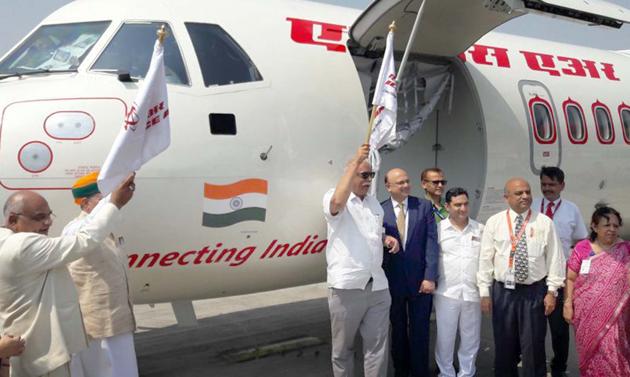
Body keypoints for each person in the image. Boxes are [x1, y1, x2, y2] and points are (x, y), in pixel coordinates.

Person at [0, 174, 135, 377]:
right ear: (12, 219)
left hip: (34, 348)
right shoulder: (22, 246)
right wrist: (115, 203)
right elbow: (84, 240)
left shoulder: (7, 239)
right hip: (42, 354)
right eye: (39, 217)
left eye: (49, 215)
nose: (47, 222)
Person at [323, 144, 399, 377]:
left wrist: (386, 238)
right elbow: (336, 204)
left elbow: (370, 234)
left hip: (377, 286)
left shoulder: (374, 203)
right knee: (343, 350)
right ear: (350, 174)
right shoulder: (335, 197)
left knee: (377, 349)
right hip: (347, 288)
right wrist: (355, 160)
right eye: (363, 175)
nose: (368, 180)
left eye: (371, 175)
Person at [477, 177, 565, 377]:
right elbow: (485, 259)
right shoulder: (495, 222)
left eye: (527, 192)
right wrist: (484, 292)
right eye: (519, 193)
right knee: (504, 344)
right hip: (503, 292)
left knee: (533, 344)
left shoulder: (544, 223)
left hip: (534, 292)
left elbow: (555, 259)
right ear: (506, 197)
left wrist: (552, 291)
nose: (525, 196)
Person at [64, 172, 138, 377]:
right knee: (104, 370)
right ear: (86, 203)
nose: (108, 202)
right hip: (97, 323)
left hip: (117, 318)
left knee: (123, 369)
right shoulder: (75, 229)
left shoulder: (107, 227)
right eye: (102, 198)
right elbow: (88, 233)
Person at [381, 168, 438, 377]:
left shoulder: (423, 206)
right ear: (388, 187)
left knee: (420, 331)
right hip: (393, 282)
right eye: (400, 183)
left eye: (407, 181)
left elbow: (432, 244)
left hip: (420, 282)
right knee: (397, 330)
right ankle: (401, 371)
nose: (406, 185)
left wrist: (430, 276)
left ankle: (420, 371)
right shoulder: (380, 211)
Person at [532, 166, 588, 377]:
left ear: (562, 186)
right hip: (535, 275)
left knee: (558, 328)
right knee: (534, 327)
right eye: (544, 184)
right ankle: (535, 365)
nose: (547, 189)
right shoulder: (533, 206)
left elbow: (582, 241)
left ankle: (559, 367)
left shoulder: (571, 209)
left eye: (552, 185)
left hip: (560, 275)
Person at [563, 207, 630, 376]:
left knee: (613, 353)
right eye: (607, 225)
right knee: (590, 355)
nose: (612, 229)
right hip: (585, 315)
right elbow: (570, 278)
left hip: (617, 316)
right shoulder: (582, 248)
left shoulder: (625, 249)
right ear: (594, 226)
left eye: (616, 226)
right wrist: (567, 303)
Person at [434, 188, 483, 377]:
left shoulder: (480, 229)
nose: (463, 208)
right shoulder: (438, 230)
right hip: (446, 293)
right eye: (457, 205)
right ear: (447, 206)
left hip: (472, 292)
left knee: (471, 338)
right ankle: (446, 373)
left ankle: (466, 373)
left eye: (465, 204)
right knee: (445, 337)